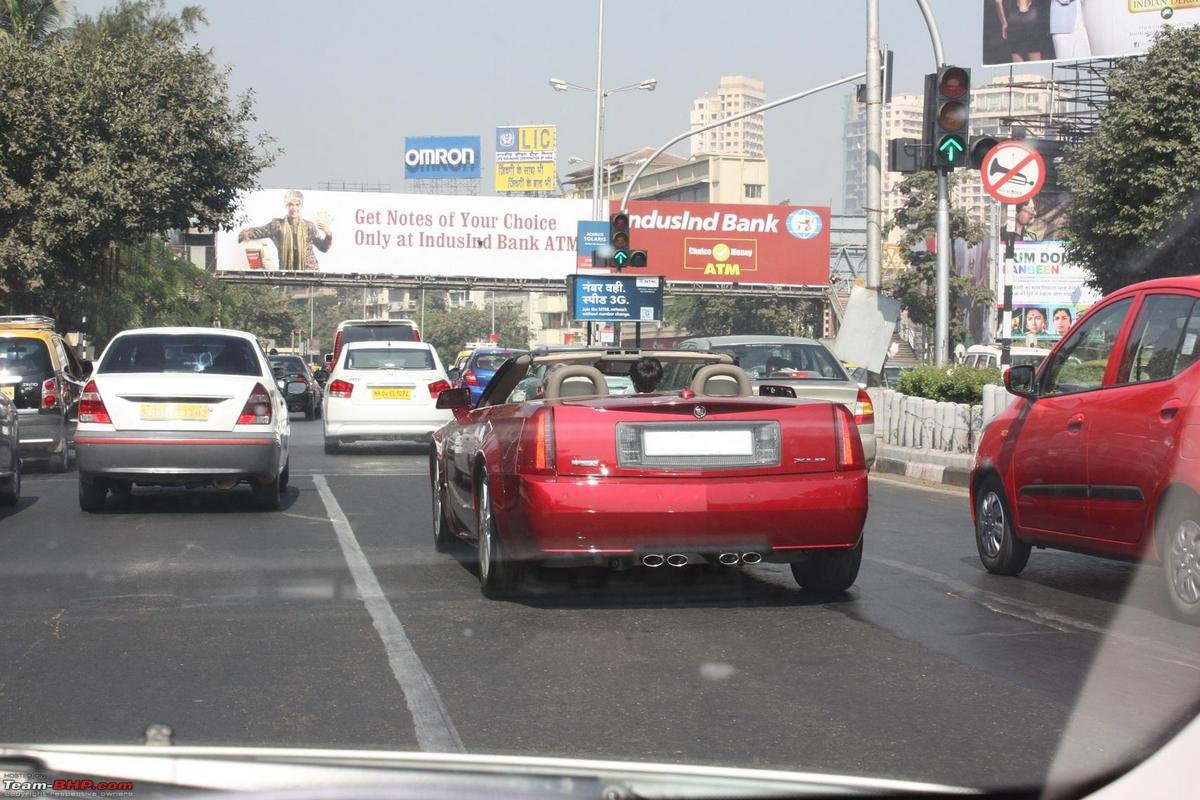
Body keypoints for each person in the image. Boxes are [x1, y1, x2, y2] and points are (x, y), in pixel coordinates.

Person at [238, 189, 332, 271]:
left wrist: (328, 234)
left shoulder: (309, 226)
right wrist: (245, 234)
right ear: (286, 206)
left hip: (309, 273)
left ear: (301, 206)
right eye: (290, 205)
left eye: (297, 205)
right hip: (287, 275)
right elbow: (258, 232)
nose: (294, 208)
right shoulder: (277, 225)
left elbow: (323, 248)